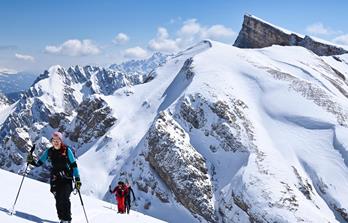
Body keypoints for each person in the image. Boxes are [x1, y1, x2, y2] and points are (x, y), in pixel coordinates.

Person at [27, 131, 81, 223]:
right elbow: (39, 163)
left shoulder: (67, 150)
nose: (55, 142)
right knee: (58, 198)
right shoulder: (49, 151)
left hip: (66, 178)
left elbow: (74, 165)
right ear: (52, 141)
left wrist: (77, 179)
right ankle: (61, 218)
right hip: (55, 178)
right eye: (54, 140)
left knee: (64, 197)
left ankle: (67, 219)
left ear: (61, 141)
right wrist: (31, 161)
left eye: (58, 140)